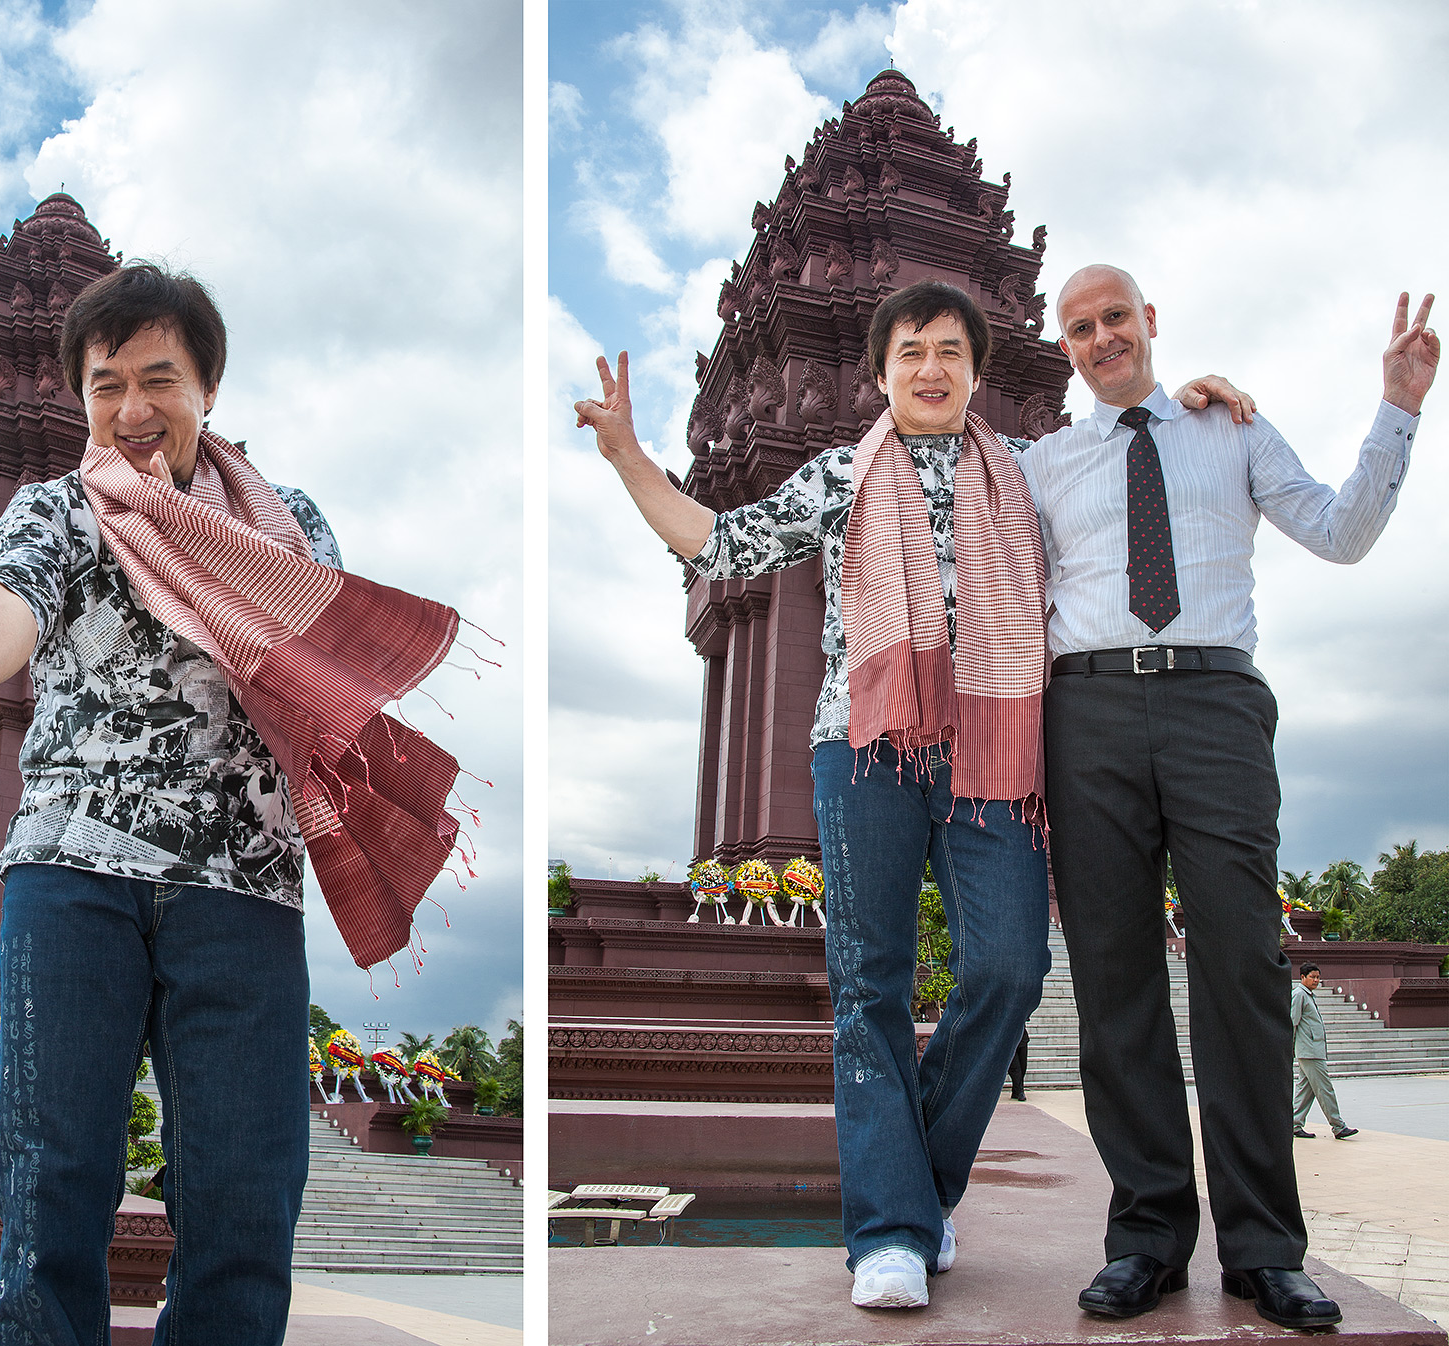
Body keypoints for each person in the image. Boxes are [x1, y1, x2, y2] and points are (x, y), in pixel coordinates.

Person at [577, 280, 1230, 1310]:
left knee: (1012, 966)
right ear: (882, 374)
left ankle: (915, 1188)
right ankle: (888, 1229)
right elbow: (720, 542)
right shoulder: (841, 474)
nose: (932, 368)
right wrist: (624, 454)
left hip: (994, 751)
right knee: (869, 988)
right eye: (912, 352)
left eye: (951, 352)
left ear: (978, 370)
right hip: (865, 748)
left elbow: (1124, 491)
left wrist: (1188, 405)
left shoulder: (1025, 478)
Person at [0, 263, 462, 1344]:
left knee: (246, 1199)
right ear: (80, 397)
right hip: (72, 875)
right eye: (106, 385)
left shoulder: (288, 528)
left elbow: (321, 666)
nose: (133, 410)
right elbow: (5, 592)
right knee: (53, 1189)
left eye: (160, 379)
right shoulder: (62, 509)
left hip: (241, 888)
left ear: (208, 389)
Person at [1023, 264, 1436, 1330]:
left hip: (1215, 700)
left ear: (1149, 321)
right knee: (1114, 977)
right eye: (1080, 327)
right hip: (1088, 711)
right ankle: (1148, 1236)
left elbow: (1342, 532)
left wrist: (1397, 406)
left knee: (1245, 967)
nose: (1102, 336)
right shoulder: (1042, 464)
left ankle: (1263, 1247)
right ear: (1063, 346)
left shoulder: (1234, 428)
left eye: (1116, 316)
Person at [1293, 963, 1358, 1141]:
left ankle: (1294, 1124)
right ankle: (1338, 1126)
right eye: (1312, 977)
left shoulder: (1308, 995)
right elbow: (1292, 1022)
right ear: (1303, 977)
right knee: (1325, 1089)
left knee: (1305, 1091)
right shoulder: (1299, 995)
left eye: (1318, 977)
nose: (1316, 980)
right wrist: (1289, 1049)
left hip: (1312, 1051)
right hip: (1310, 1052)